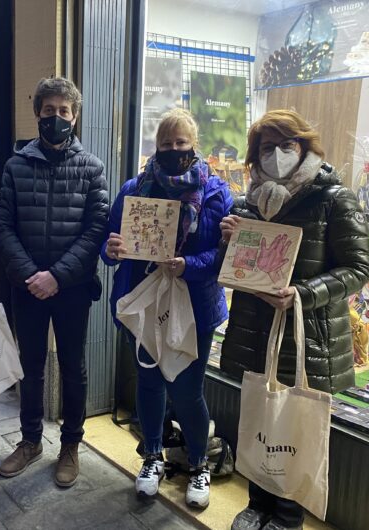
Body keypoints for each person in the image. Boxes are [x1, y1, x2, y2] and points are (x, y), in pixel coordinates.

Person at [221, 110, 369, 530]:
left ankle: (288, 515)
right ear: (256, 156)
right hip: (256, 329)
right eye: (267, 147)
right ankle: (257, 503)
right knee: (258, 419)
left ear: (305, 146)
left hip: (307, 333)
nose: (278, 154)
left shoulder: (334, 199)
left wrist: (303, 295)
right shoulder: (250, 202)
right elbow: (231, 269)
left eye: (288, 144)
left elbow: (358, 269)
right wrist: (232, 241)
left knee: (294, 427)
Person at [101, 108, 232, 507]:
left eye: (181, 143)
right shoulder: (135, 189)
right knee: (150, 384)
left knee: (189, 390)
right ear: (155, 147)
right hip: (142, 301)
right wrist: (111, 251)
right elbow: (109, 246)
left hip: (194, 304)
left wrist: (187, 265)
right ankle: (152, 455)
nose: (174, 150)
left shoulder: (216, 192)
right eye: (166, 144)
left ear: (194, 145)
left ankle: (198, 463)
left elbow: (225, 255)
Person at [0, 77, 108, 487]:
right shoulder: (15, 165)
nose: (56, 118)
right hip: (26, 286)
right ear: (37, 114)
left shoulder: (92, 167)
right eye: (49, 111)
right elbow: (2, 225)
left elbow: (96, 228)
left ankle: (71, 445)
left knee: (74, 367)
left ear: (74, 116)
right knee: (30, 364)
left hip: (72, 287)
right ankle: (30, 441)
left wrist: (57, 276)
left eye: (64, 111)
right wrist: (31, 275)